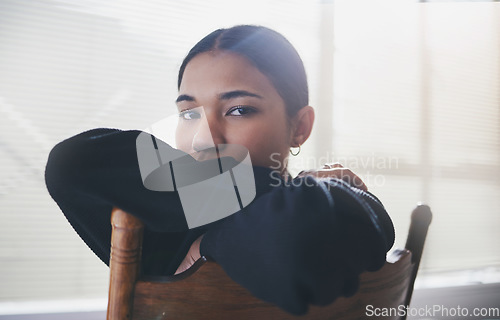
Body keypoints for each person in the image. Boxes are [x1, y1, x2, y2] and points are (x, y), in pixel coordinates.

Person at [45, 25, 394, 316]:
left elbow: (291, 244)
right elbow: (71, 164)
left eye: (239, 110)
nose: (204, 139)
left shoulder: (336, 205)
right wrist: (277, 189)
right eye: (189, 113)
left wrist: (203, 249)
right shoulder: (164, 230)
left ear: (299, 127)